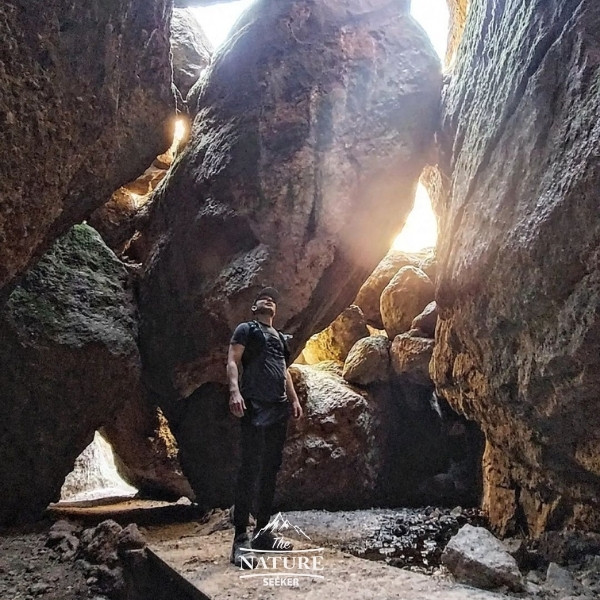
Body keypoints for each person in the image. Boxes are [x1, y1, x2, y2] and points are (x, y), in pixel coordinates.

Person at [227, 287, 303, 568]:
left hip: (278, 408)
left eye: (272, 299)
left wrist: (293, 400)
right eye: (262, 297)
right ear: (254, 308)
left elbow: (284, 371)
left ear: (276, 310)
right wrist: (235, 392)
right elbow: (233, 361)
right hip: (255, 405)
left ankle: (262, 532)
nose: (268, 299)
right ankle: (240, 538)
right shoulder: (247, 330)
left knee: (270, 470)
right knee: (250, 469)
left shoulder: (281, 338)